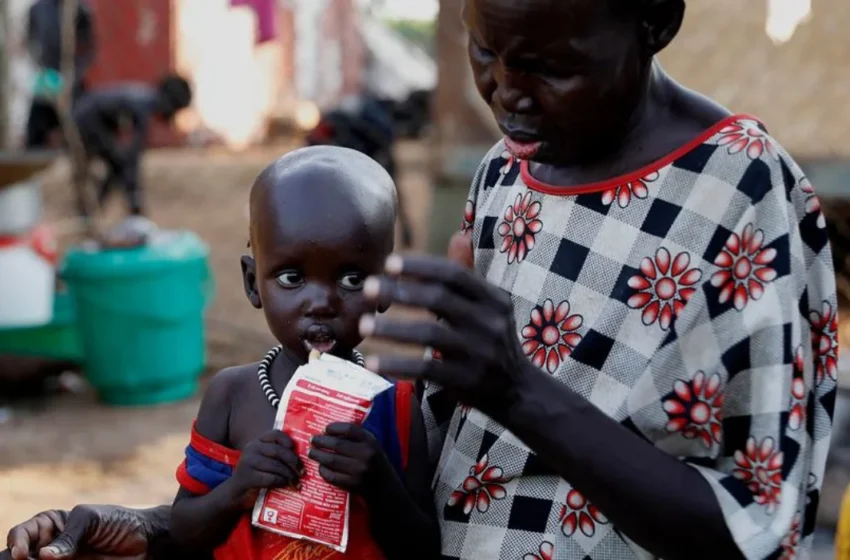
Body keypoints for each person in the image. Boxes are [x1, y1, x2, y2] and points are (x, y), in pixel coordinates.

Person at [2, 0, 838, 558]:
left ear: (654, 19)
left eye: (553, 65)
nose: (509, 95)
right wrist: (119, 527)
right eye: (487, 52)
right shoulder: (509, 172)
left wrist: (517, 391)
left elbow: (752, 528)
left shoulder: (742, 195)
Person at [170, 146, 437, 559]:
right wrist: (238, 489)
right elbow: (181, 534)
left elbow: (424, 550)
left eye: (352, 279)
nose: (321, 303)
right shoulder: (231, 396)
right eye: (292, 277)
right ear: (252, 282)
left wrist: (380, 484)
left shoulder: (397, 407)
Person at [71, 75, 192, 217]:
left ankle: (94, 208)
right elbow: (133, 156)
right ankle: (101, 209)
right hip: (86, 121)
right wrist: (135, 194)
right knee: (120, 162)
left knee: (118, 163)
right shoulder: (143, 105)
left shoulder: (144, 98)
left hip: (88, 118)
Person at [25, 0, 96, 149]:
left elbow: (90, 48)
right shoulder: (38, 9)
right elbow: (30, 41)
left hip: (71, 79)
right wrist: (41, 68)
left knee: (81, 124)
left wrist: (74, 74)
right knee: (36, 127)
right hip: (46, 77)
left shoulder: (80, 9)